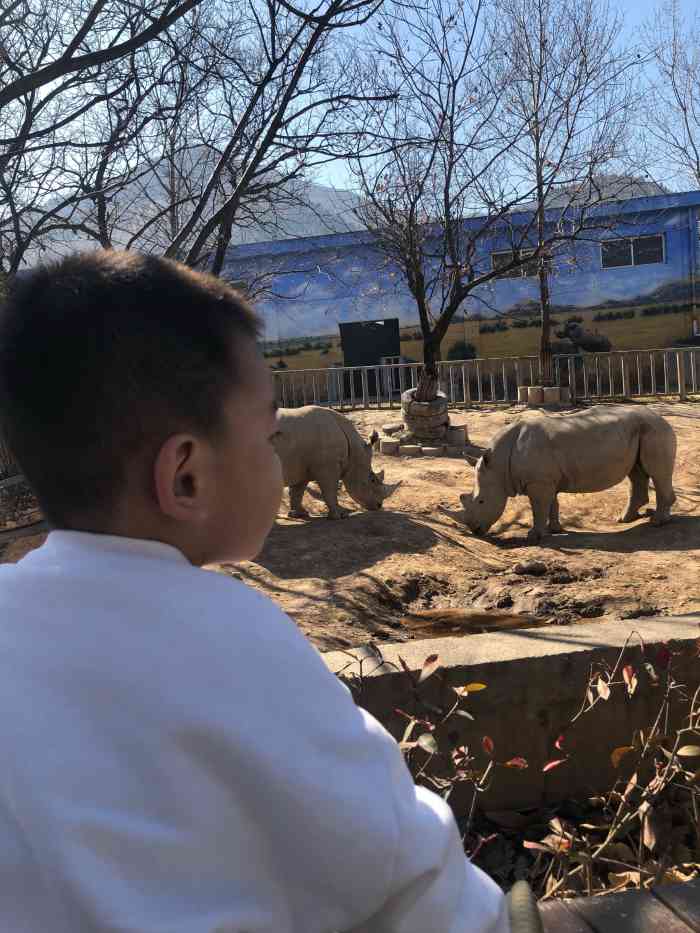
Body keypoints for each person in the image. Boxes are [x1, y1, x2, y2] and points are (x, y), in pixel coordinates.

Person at [0, 251, 534, 932]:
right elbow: (400, 866)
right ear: (186, 477)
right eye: (270, 435)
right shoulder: (230, 636)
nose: (278, 456)